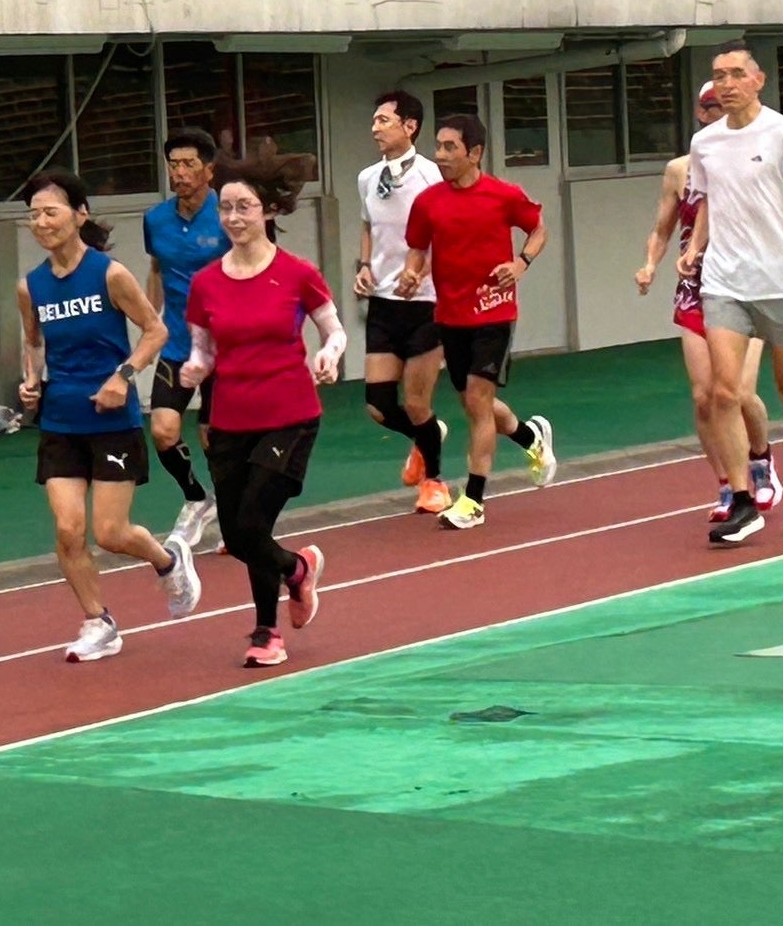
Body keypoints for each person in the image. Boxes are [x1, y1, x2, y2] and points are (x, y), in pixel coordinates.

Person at [18, 170, 202, 663]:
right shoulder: (31, 286)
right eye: (33, 215)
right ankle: (98, 622)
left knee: (111, 533)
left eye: (50, 212)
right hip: (60, 421)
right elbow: (33, 341)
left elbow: (156, 331)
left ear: (80, 214)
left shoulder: (109, 274)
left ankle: (168, 560)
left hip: (111, 423)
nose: (41, 222)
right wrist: (31, 379)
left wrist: (123, 376)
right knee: (67, 530)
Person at [181, 155, 342, 667]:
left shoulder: (297, 273)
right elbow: (203, 349)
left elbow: (334, 330)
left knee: (252, 522)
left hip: (289, 415)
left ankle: (266, 632)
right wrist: (195, 368)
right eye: (225, 208)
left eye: (244, 207)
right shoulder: (206, 283)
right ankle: (297, 570)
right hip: (230, 420)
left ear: (268, 210)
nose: (233, 217)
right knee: (237, 535)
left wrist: (329, 355)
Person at [679, 41, 783, 545]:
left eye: (735, 74)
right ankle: (743, 501)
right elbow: (709, 201)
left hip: (782, 283)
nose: (725, 84)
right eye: (718, 75)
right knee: (724, 392)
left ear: (757, 80)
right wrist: (695, 247)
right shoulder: (705, 143)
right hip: (724, 282)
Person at [396, 113, 556, 530]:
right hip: (451, 315)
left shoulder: (504, 195)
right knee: (472, 401)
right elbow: (417, 249)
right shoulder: (428, 202)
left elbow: (538, 229)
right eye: (438, 146)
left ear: (475, 152)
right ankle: (529, 437)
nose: (441, 155)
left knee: (478, 404)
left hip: (494, 313)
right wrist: (411, 273)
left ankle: (474, 500)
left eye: (450, 147)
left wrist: (521, 263)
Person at [637, 81, 781, 519]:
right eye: (713, 107)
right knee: (704, 396)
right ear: (702, 114)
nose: (721, 112)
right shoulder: (679, 170)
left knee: (738, 391)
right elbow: (662, 228)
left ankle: (761, 460)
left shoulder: (756, 160)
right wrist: (650, 264)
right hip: (695, 290)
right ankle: (727, 485)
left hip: (747, 289)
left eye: (729, 104)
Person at [354, 90, 451, 514]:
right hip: (383, 302)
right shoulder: (367, 178)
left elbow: (447, 234)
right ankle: (426, 436)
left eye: (384, 120)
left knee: (416, 403)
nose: (375, 128)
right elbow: (368, 226)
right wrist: (364, 266)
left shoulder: (432, 176)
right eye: (374, 121)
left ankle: (435, 482)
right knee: (378, 406)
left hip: (427, 303)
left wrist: (421, 272)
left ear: (410, 126)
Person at [144, 127, 229, 549]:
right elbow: (157, 269)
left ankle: (232, 514)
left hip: (226, 346)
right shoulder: (155, 219)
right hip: (178, 342)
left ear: (208, 170)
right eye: (173, 164)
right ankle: (197, 497)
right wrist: (149, 321)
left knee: (217, 438)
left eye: (188, 164)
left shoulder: (229, 213)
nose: (179, 172)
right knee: (163, 430)